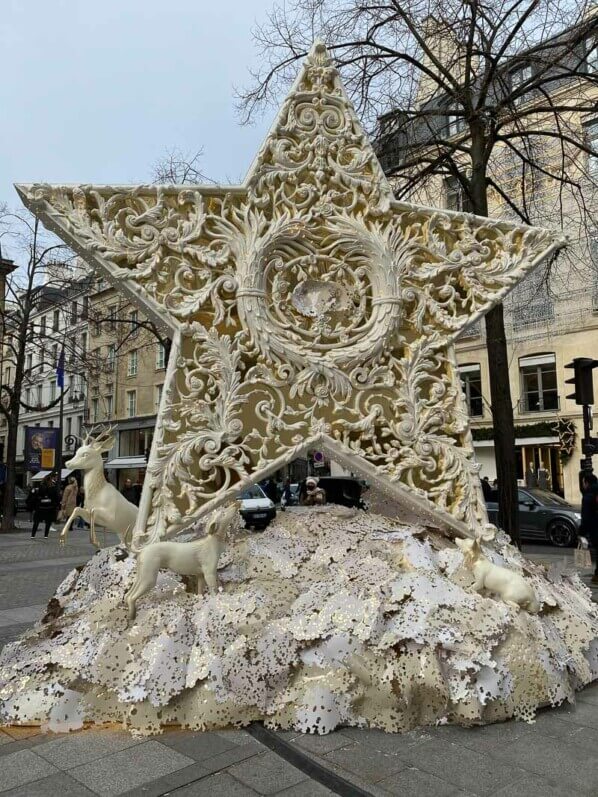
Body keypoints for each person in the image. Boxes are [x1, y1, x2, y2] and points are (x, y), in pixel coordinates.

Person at [581, 473, 598, 584]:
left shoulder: (588, 496)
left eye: (583, 483)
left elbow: (586, 516)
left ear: (587, 483)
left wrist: (582, 531)